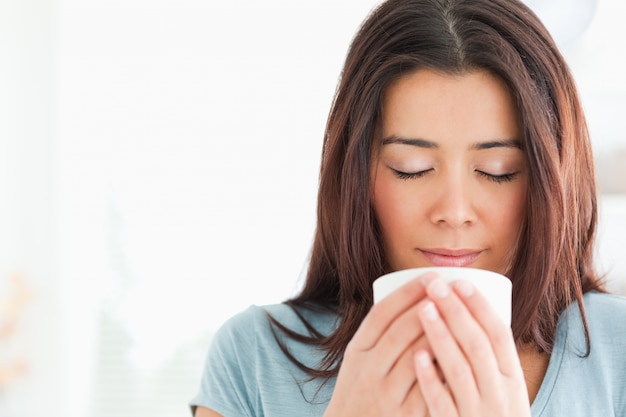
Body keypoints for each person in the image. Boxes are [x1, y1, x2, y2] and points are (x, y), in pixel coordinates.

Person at [190, 0, 626, 415]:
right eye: (411, 169)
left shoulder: (617, 351)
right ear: (356, 175)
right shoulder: (254, 359)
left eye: (498, 170)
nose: (454, 212)